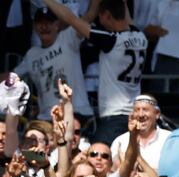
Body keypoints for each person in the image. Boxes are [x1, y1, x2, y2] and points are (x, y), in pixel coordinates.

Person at [48, 0, 148, 145]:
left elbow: (71, 19)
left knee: (99, 156)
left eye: (100, 17)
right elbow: (124, 10)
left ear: (107, 15)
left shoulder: (111, 40)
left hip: (114, 117)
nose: (99, 22)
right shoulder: (140, 36)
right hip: (133, 114)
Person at [13, 5, 92, 120]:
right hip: (48, 117)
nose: (44, 26)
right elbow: (13, 76)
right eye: (40, 23)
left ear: (57, 25)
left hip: (77, 112)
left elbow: (89, 17)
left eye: (49, 22)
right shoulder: (32, 54)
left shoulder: (68, 38)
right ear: (34, 27)